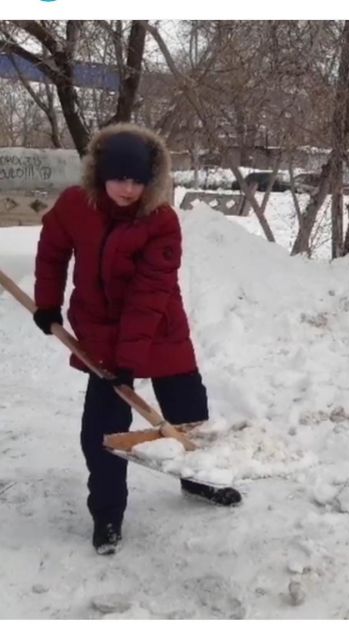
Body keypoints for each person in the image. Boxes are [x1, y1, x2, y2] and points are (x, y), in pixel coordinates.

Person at [32, 123, 240, 556]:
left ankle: (198, 479)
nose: (128, 190)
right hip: (99, 334)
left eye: (138, 181)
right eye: (119, 178)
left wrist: (129, 360)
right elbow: (52, 252)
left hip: (160, 328)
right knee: (103, 432)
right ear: (100, 174)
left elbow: (150, 296)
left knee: (189, 414)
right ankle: (107, 514)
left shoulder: (160, 221)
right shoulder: (75, 205)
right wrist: (47, 304)